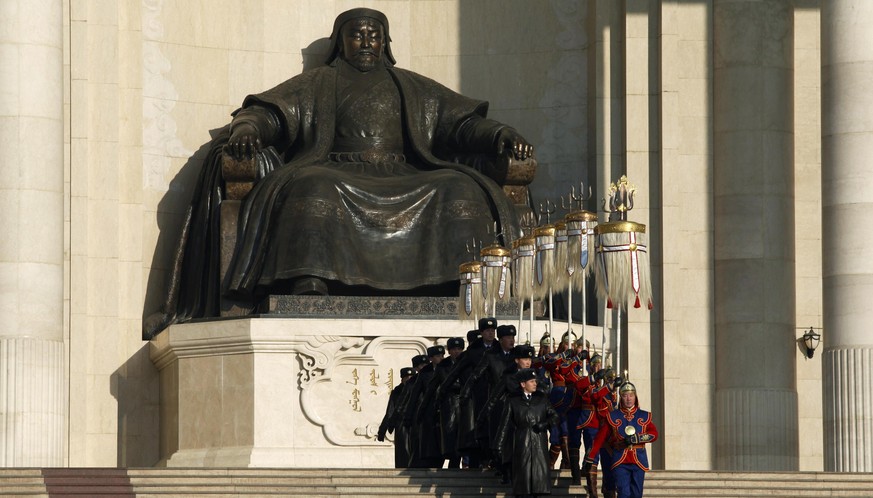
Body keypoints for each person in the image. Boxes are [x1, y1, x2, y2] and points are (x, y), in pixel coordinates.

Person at [144, 8, 535, 337]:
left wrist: (500, 134)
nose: (365, 42)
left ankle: (455, 281)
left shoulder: (413, 87)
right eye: (357, 35)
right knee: (314, 185)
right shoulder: (318, 82)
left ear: (385, 43)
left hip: (407, 173)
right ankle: (310, 280)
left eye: (373, 35)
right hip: (335, 169)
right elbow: (271, 114)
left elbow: (461, 125)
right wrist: (247, 129)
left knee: (458, 188)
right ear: (340, 42)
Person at [583, 382, 658, 498]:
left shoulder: (644, 415)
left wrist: (638, 438)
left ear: (635, 397)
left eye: (631, 395)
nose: (628, 399)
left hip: (639, 460)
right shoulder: (613, 416)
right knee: (624, 494)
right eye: (625, 395)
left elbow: (654, 434)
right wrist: (590, 457)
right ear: (621, 397)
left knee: (637, 494)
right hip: (620, 461)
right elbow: (600, 438)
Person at [494, 368, 558, 498]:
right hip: (522, 445)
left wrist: (544, 424)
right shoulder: (513, 401)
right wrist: (498, 445)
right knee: (523, 489)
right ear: (523, 384)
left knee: (540, 488)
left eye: (535, 381)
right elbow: (504, 424)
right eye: (532, 381)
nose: (535, 384)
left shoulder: (542, 399)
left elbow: (555, 416)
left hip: (539, 446)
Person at [377, 366, 416, 468]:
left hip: (415, 423)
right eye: (406, 377)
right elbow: (390, 410)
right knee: (403, 451)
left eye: (411, 377)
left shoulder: (417, 389)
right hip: (401, 424)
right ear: (402, 379)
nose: (409, 379)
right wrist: (382, 430)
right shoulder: (397, 391)